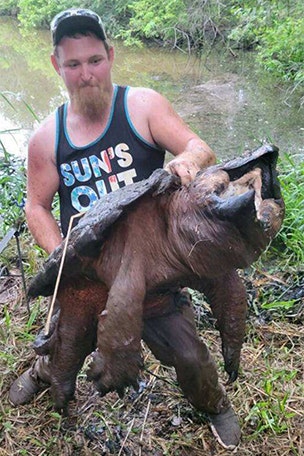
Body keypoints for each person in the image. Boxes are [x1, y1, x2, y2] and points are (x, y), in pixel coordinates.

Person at [9, 8, 241, 450]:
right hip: (89, 276)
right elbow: (36, 206)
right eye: (73, 64)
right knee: (63, 347)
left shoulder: (142, 106)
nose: (86, 74)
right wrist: (62, 255)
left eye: (94, 60)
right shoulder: (46, 137)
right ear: (57, 66)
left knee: (191, 357)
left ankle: (215, 405)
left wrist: (187, 161)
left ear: (111, 55)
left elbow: (198, 146)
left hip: (150, 274)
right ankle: (43, 373)